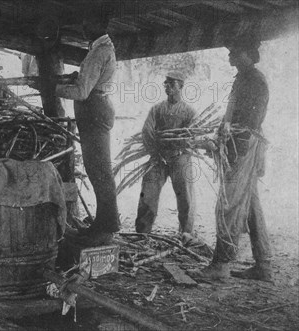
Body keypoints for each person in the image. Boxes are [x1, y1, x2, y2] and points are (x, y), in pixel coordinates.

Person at [193, 34, 272, 281]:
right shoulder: (244, 78)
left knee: (228, 203)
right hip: (243, 143)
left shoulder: (255, 80)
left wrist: (224, 144)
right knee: (249, 203)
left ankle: (221, 264)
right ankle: (264, 264)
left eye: (235, 52)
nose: (230, 55)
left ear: (248, 55)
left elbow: (248, 123)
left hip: (243, 146)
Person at [55, 6, 118, 245]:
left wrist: (53, 89)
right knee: (97, 168)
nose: (83, 27)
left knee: (100, 169)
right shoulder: (100, 49)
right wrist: (75, 77)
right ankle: (103, 224)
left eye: (87, 22)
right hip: (95, 109)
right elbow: (86, 83)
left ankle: (106, 228)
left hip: (94, 111)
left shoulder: (99, 52)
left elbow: (82, 92)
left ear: (98, 24)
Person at [134, 72, 199, 244]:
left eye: (171, 83)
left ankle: (186, 233)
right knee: (148, 192)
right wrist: (156, 153)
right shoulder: (157, 109)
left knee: (185, 196)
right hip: (158, 158)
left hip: (180, 158)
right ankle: (142, 233)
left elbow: (192, 136)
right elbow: (147, 131)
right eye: (166, 83)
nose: (167, 86)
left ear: (181, 86)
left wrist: (177, 143)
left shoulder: (189, 111)